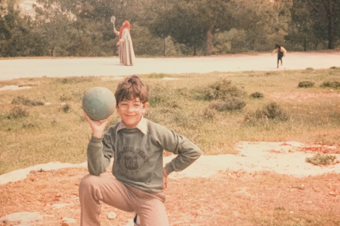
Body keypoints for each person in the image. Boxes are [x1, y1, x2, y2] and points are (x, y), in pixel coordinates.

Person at [79, 75, 201, 226]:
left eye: (136, 105)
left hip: (150, 196)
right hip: (123, 191)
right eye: (124, 104)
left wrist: (167, 170)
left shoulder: (156, 132)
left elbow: (192, 151)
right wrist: (97, 135)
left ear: (145, 107)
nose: (130, 110)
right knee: (88, 182)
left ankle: (141, 218)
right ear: (116, 107)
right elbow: (96, 169)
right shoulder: (112, 134)